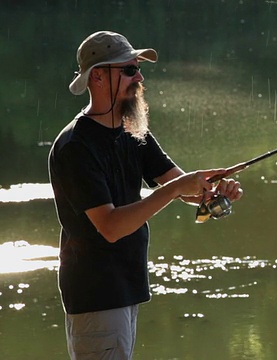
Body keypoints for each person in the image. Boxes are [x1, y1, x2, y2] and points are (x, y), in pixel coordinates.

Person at [48, 30, 243, 359]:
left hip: (126, 288)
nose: (138, 76)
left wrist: (213, 192)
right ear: (97, 76)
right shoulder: (75, 148)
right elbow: (110, 226)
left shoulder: (131, 129)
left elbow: (182, 186)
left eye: (137, 68)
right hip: (96, 295)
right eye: (128, 69)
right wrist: (178, 188)